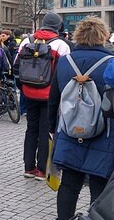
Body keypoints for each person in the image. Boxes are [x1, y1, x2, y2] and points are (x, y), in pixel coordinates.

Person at [48, 17, 114, 220]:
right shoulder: (110, 62)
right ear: (103, 36)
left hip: (69, 130)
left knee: (69, 183)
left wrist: (52, 127)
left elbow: (54, 98)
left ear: (78, 35)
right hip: (103, 133)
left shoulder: (65, 62)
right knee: (99, 186)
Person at [15, 12, 70, 181]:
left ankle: (28, 167)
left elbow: (16, 67)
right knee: (46, 131)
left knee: (31, 129)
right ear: (58, 26)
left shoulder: (27, 41)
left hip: (29, 92)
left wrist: (23, 88)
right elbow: (64, 72)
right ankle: (41, 170)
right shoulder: (61, 44)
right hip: (49, 95)